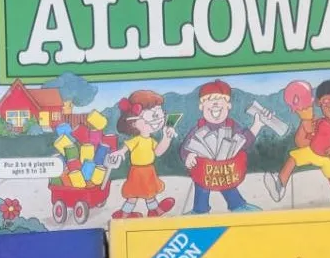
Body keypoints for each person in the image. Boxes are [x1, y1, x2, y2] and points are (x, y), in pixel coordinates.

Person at [266, 79, 330, 206]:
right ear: (319, 102)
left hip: (328, 157)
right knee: (293, 158)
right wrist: (304, 125)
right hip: (311, 151)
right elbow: (300, 142)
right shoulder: (317, 122)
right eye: (327, 100)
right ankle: (280, 185)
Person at [179, 80, 263, 213]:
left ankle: (238, 205)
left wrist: (257, 125)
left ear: (228, 106)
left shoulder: (232, 125)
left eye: (220, 100)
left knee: (228, 184)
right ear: (201, 106)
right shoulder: (198, 127)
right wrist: (189, 156)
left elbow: (244, 140)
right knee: (201, 186)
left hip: (226, 169)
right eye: (210, 100)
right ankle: (200, 210)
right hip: (204, 170)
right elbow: (186, 146)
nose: (215, 103)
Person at [108, 90, 176, 218]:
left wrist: (166, 138)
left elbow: (158, 152)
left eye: (159, 113)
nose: (158, 119)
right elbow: (126, 147)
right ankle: (124, 214)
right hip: (137, 172)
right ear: (133, 122)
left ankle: (154, 210)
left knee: (150, 193)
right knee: (133, 196)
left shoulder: (151, 140)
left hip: (149, 171)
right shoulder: (137, 140)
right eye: (153, 115)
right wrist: (121, 152)